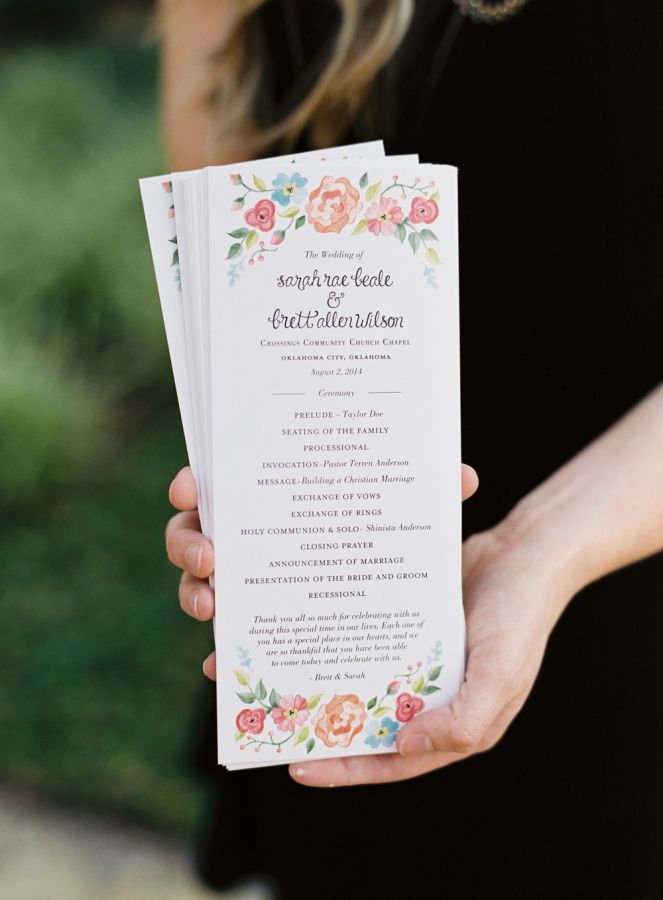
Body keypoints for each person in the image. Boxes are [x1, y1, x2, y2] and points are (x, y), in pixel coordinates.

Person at [161, 1, 663, 897]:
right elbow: (225, 254)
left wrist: (536, 549)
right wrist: (254, 468)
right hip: (340, 618)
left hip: (628, 573)